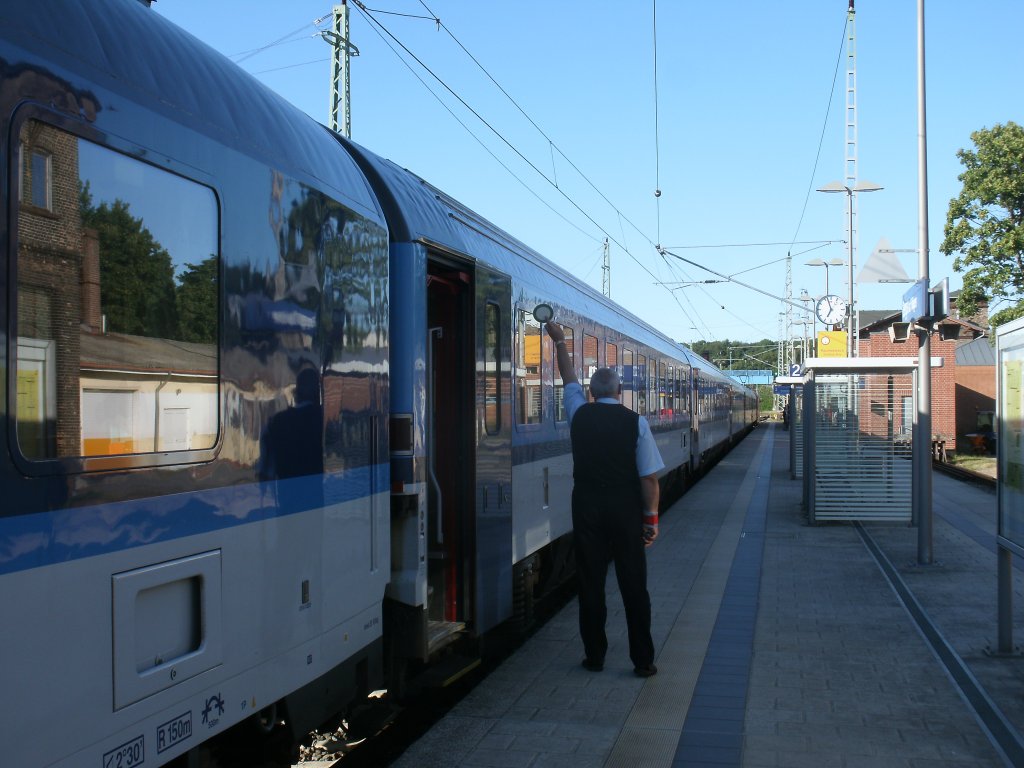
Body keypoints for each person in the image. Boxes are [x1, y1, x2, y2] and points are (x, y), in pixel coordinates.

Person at [546, 321, 665, 677]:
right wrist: (651, 519)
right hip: (625, 510)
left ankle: (595, 655)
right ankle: (642, 661)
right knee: (633, 585)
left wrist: (560, 343)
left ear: (592, 393)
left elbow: (568, 379)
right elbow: (649, 478)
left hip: (586, 508)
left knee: (590, 584)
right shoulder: (636, 423)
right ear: (619, 390)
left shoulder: (578, 413)